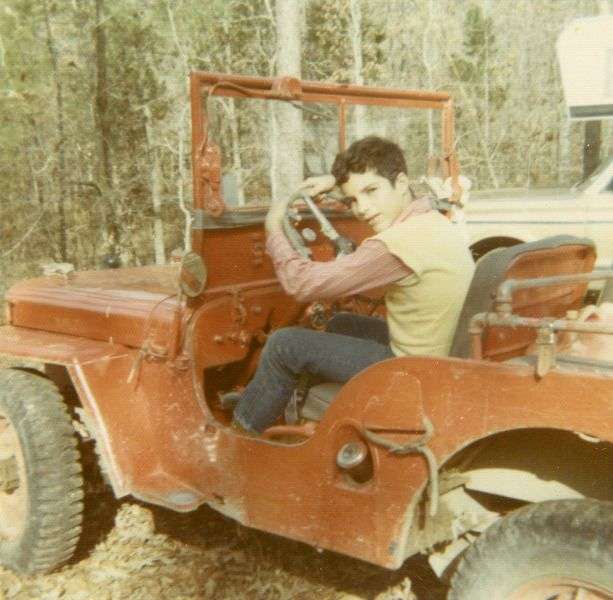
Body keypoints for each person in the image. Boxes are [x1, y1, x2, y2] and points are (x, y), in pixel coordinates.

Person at [230, 136, 475, 434]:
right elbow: (383, 187)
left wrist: (273, 230)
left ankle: (241, 433)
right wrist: (336, 182)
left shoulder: (394, 245)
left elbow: (301, 284)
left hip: (413, 369)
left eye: (371, 191)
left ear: (400, 183)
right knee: (342, 322)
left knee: (283, 345)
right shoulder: (430, 219)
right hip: (438, 350)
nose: (363, 209)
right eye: (353, 200)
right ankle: (301, 408)